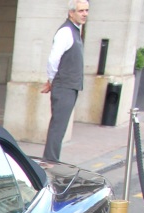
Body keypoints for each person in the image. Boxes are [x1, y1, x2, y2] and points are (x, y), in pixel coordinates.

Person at [41, 0, 89, 161]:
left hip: (69, 85)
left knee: (60, 127)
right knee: (58, 127)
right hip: (64, 86)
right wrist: (52, 80)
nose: (84, 14)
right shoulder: (66, 32)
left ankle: (52, 160)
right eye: (81, 11)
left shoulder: (75, 31)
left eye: (86, 11)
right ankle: (50, 162)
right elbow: (53, 60)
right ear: (71, 12)